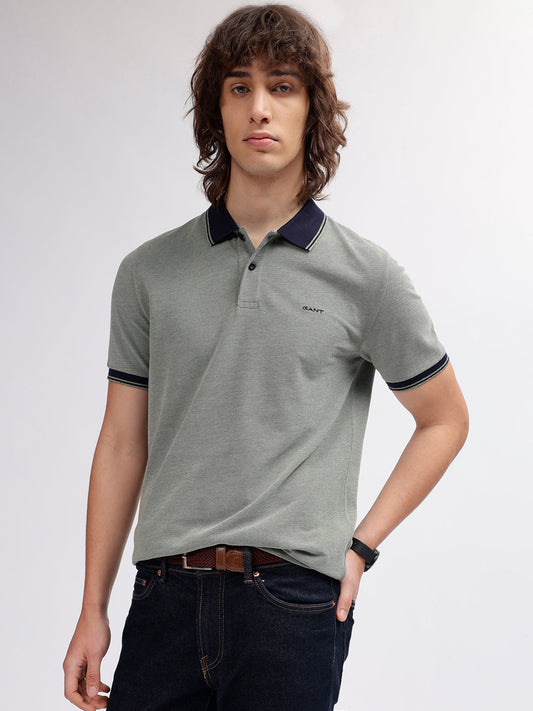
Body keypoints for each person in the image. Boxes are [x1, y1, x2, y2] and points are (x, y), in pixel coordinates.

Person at [63, 4, 469, 710]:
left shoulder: (366, 276)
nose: (260, 107)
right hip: (163, 598)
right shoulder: (148, 272)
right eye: (239, 87)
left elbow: (445, 419)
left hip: (292, 603)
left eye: (282, 86)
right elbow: (123, 441)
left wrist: (360, 548)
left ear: (312, 109)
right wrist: (91, 607)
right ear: (215, 111)